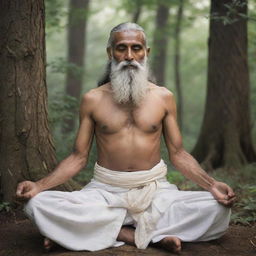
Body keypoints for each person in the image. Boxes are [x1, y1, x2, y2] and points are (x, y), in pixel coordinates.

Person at [16, 22, 236, 253]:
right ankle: (145, 235)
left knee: (217, 208)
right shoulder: (93, 99)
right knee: (37, 204)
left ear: (146, 52)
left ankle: (90, 231)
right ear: (110, 52)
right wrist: (38, 186)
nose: (129, 56)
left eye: (136, 48)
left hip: (155, 190)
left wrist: (212, 185)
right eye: (121, 48)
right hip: (105, 190)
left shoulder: (163, 97)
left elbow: (178, 154)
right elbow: (78, 158)